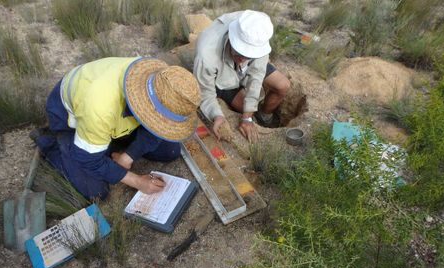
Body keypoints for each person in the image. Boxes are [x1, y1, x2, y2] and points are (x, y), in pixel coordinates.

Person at [32, 57, 201, 200]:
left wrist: (128, 157)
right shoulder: (100, 107)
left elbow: (160, 127)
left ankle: (105, 147)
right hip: (69, 120)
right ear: (147, 108)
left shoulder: (163, 82)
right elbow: (88, 160)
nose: (163, 124)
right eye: (160, 120)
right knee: (96, 192)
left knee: (169, 151)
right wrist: (137, 181)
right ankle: (50, 143)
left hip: (111, 121)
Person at [193, 10, 291, 141]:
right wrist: (216, 115)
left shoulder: (257, 33)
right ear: (232, 38)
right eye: (239, 52)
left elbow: (256, 75)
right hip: (223, 76)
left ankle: (265, 116)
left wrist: (247, 117)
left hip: (248, 67)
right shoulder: (207, 55)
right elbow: (205, 92)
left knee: (282, 86)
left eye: (248, 55)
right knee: (243, 107)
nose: (242, 59)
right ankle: (255, 115)